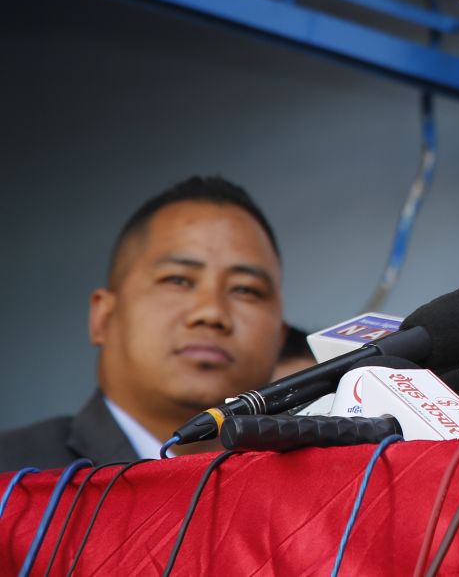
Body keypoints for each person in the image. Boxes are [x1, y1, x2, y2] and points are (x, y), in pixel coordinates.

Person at [0, 176, 286, 471]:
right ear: (103, 317)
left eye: (245, 289)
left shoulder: (310, 480)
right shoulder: (13, 474)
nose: (212, 313)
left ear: (281, 336)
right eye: (178, 280)